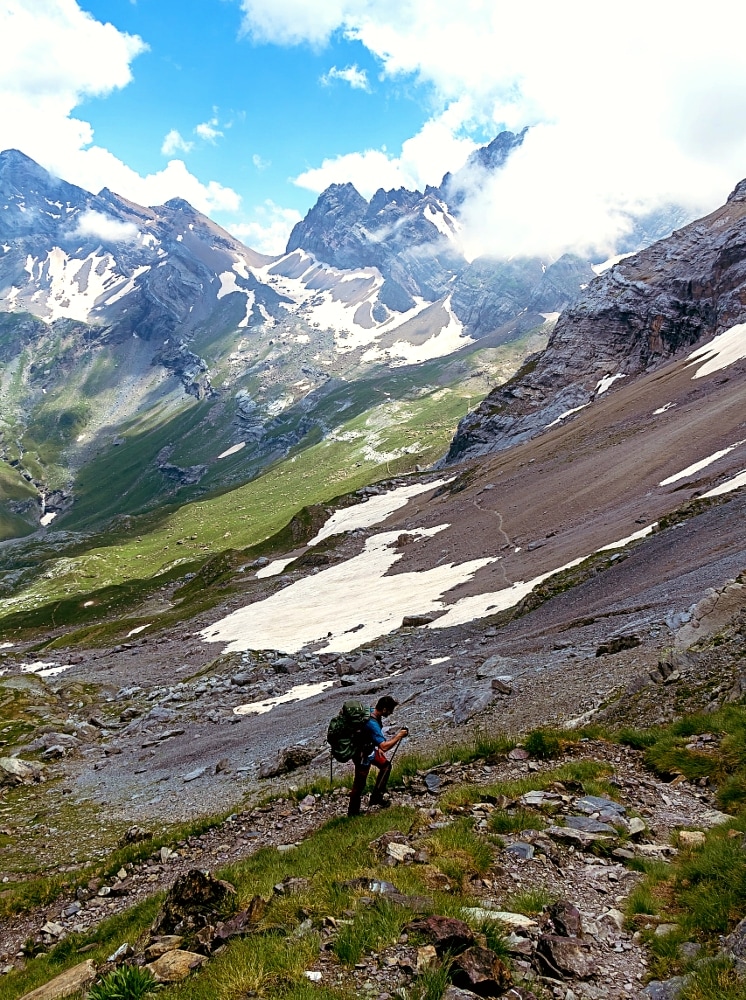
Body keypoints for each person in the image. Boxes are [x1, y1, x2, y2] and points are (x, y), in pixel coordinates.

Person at [348, 695, 408, 817]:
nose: (391, 713)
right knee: (359, 784)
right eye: (390, 710)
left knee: (386, 766)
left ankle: (376, 797)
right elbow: (384, 747)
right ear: (384, 709)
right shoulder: (372, 724)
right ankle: (352, 813)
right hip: (362, 755)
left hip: (369, 750)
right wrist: (398, 736)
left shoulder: (371, 713)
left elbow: (371, 737)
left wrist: (377, 747)